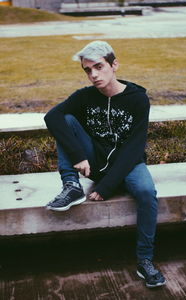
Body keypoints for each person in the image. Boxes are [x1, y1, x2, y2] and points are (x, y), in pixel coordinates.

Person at [44, 40, 166, 288]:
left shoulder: (137, 99)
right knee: (65, 119)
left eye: (99, 67)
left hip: (128, 163)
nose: (94, 75)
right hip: (95, 160)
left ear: (114, 65)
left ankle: (145, 260)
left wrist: (108, 186)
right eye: (88, 70)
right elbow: (52, 117)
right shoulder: (85, 97)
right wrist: (79, 156)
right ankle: (71, 186)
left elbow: (134, 148)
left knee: (146, 191)